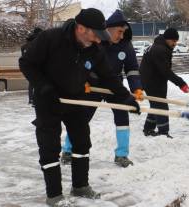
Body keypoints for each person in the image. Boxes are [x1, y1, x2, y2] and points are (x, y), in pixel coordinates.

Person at [19, 8, 140, 206]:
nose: (98, 40)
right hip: (48, 99)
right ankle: (55, 196)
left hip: (75, 97)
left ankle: (80, 186)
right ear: (81, 28)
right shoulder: (52, 38)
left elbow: (109, 77)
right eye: (95, 34)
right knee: (49, 146)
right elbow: (26, 63)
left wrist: (125, 98)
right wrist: (44, 86)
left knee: (82, 141)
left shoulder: (94, 48)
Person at [60, 10, 142, 168]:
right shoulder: (96, 42)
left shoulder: (126, 45)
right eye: (119, 31)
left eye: (124, 32)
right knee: (81, 119)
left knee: (122, 119)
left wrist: (136, 88)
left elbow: (132, 69)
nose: (122, 35)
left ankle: (122, 155)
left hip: (115, 85)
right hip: (93, 85)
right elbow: (82, 64)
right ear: (108, 29)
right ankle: (68, 150)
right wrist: (82, 81)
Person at [139, 28, 189, 138]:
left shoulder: (158, 46)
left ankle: (148, 129)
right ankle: (163, 132)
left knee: (155, 104)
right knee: (161, 106)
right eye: (173, 41)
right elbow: (165, 71)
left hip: (151, 79)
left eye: (176, 41)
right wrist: (180, 83)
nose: (175, 44)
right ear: (166, 39)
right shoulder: (160, 50)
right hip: (153, 81)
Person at [21, 27, 43, 106]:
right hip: (38, 66)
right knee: (38, 84)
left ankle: (31, 99)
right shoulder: (38, 42)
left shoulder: (24, 46)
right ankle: (36, 99)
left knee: (31, 84)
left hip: (28, 67)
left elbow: (23, 57)